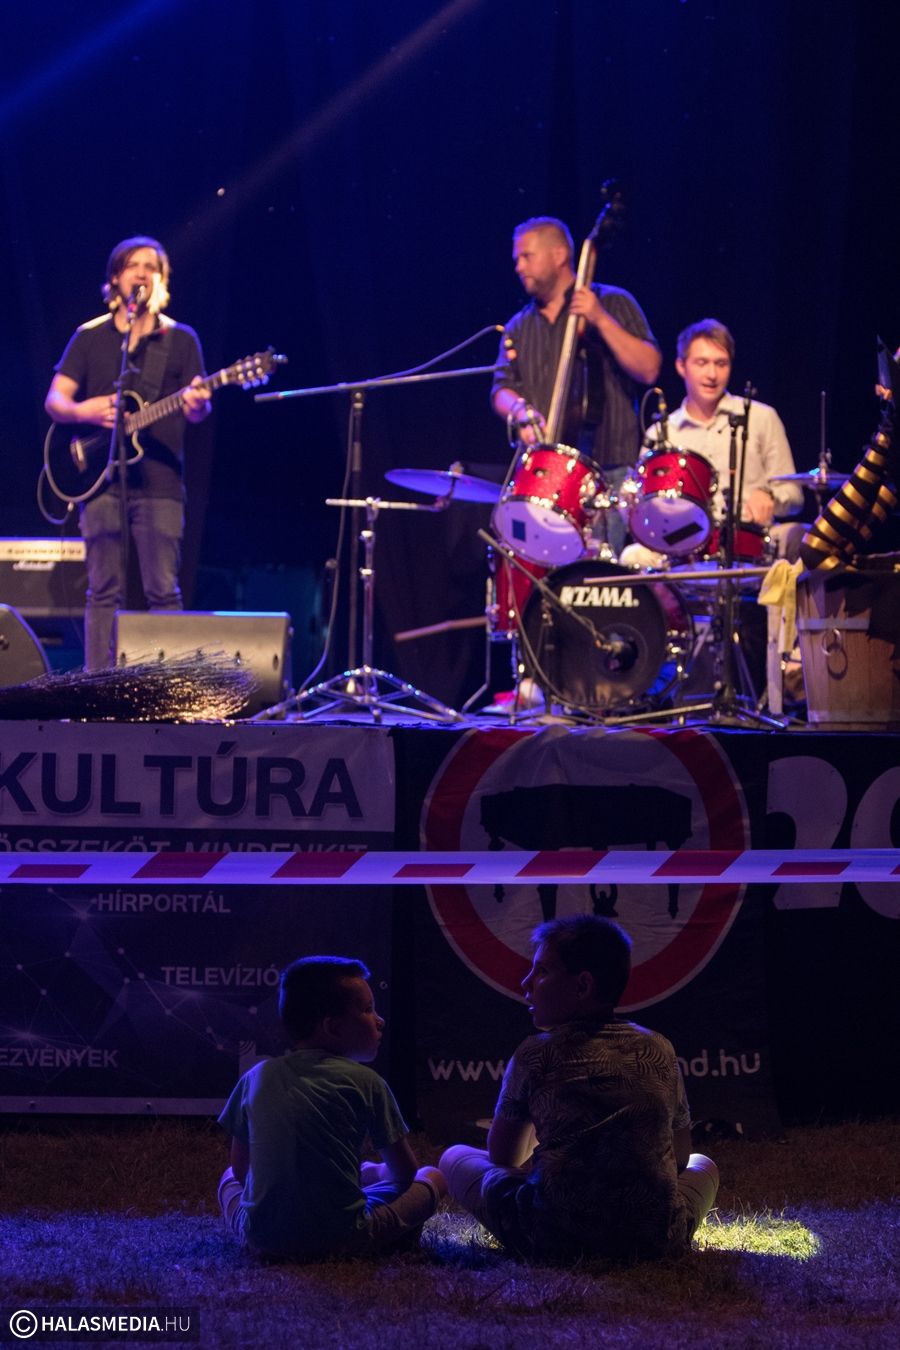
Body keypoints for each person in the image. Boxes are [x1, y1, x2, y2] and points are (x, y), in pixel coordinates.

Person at [439, 916, 718, 1263]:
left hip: (548, 1237)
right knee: (704, 1165)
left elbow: (503, 1158)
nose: (526, 982)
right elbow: (681, 1156)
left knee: (454, 1157)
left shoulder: (535, 1053)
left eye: (542, 971)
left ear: (583, 986)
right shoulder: (659, 1047)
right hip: (652, 1239)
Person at [45, 236, 211, 670]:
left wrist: (198, 404)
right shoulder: (90, 336)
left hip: (161, 482)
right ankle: (96, 685)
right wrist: (84, 410)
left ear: (161, 279)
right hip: (100, 481)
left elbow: (197, 410)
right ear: (115, 278)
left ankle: (168, 687)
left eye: (151, 266)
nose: (142, 273)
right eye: (133, 265)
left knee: (163, 591)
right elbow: (55, 400)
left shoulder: (180, 339)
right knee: (102, 590)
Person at [218, 955, 446, 1262]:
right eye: (368, 1010)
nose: (379, 1020)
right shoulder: (368, 1082)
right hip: (344, 1237)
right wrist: (379, 1174)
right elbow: (405, 1173)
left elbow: (240, 1170)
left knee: (227, 1179)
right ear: (333, 1027)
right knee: (432, 1176)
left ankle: (263, 1235)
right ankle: (391, 1238)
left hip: (263, 1239)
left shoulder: (255, 1077)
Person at [492, 216, 661, 556]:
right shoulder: (518, 327)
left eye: (526, 256)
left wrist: (600, 319)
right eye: (517, 259)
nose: (518, 266)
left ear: (558, 255)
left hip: (607, 475)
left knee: (594, 576)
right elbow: (501, 388)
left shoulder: (612, 302)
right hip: (543, 477)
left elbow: (649, 368)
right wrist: (520, 412)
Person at [636, 318, 804, 560]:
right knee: (633, 556)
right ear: (681, 366)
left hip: (753, 541)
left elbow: (795, 495)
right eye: (702, 363)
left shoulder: (761, 417)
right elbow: (643, 503)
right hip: (681, 547)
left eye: (721, 363)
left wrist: (770, 497)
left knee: (802, 535)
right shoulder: (661, 433)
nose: (712, 374)